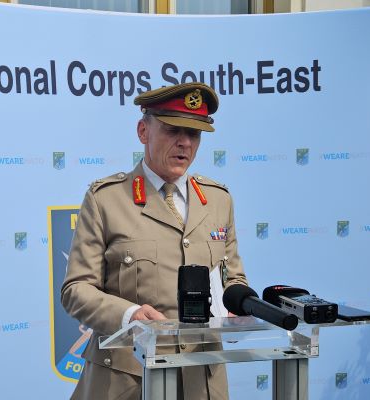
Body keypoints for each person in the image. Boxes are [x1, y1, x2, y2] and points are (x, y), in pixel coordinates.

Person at [61, 82, 248, 400]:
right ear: (143, 131)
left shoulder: (218, 200)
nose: (185, 142)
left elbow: (232, 278)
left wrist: (237, 308)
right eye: (173, 130)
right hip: (129, 380)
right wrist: (129, 315)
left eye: (194, 133)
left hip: (201, 380)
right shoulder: (106, 199)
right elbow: (76, 290)